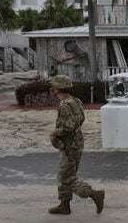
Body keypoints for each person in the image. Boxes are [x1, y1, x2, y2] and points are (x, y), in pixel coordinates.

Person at [47, 75, 105, 215]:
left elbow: (69, 127)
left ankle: (94, 194)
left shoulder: (65, 104)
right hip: (75, 142)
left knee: (67, 177)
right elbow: (81, 119)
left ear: (58, 88)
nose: (52, 88)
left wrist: (55, 132)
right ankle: (64, 205)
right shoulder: (75, 100)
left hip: (69, 145)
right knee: (65, 175)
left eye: (54, 86)